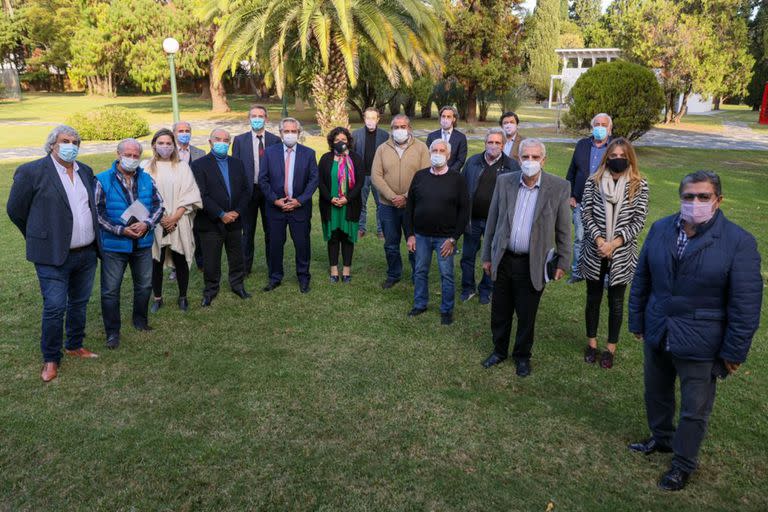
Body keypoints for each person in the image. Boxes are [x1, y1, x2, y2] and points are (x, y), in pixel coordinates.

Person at [628, 171, 762, 491]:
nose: (695, 203)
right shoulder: (661, 229)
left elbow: (745, 303)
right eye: (689, 196)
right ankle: (661, 439)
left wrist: (733, 351)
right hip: (659, 330)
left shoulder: (738, 241)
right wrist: (637, 320)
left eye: (703, 197)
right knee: (656, 393)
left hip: (702, 342)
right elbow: (642, 278)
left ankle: (683, 463)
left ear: (718, 200)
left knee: (695, 409)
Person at [7, 125, 101, 382]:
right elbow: (16, 209)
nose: (71, 145)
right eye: (65, 140)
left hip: (86, 253)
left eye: (75, 141)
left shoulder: (86, 171)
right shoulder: (32, 171)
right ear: (52, 144)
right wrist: (39, 235)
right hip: (51, 256)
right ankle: (50, 358)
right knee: (55, 306)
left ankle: (74, 344)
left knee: (79, 304)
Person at [480, 139, 571, 377]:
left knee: (526, 314)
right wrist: (487, 256)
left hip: (534, 262)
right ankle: (499, 350)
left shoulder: (558, 187)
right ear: (518, 159)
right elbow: (492, 221)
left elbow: (564, 229)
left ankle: (522, 356)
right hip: (504, 258)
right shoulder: (505, 182)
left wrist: (563, 261)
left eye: (535, 157)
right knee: (500, 311)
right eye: (525, 157)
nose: (530, 162)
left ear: (544, 160)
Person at [579, 138, 649, 368]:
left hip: (622, 253)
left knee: (616, 302)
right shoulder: (593, 181)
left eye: (622, 155)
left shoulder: (640, 184)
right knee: (593, 299)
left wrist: (615, 243)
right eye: (613, 155)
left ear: (629, 157)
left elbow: (639, 220)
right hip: (595, 248)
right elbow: (586, 212)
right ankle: (591, 343)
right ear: (606, 157)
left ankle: (610, 348)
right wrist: (600, 240)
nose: (617, 159)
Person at [95, 138, 164, 349]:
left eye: (136, 156)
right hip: (114, 244)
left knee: (144, 285)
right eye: (128, 155)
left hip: (142, 243)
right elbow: (97, 213)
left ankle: (140, 320)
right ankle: (112, 332)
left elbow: (159, 205)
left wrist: (147, 224)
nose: (132, 159)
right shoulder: (102, 179)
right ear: (118, 154)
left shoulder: (146, 179)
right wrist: (120, 230)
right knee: (110, 290)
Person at [405, 139, 469, 325]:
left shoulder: (457, 179)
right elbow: (409, 207)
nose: (438, 153)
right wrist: (410, 234)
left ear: (448, 155)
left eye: (442, 151)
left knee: (446, 274)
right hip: (421, 235)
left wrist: (453, 238)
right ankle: (420, 304)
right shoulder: (420, 176)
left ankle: (447, 309)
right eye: (435, 150)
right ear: (429, 152)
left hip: (445, 238)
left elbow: (464, 210)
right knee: (420, 271)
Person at [141, 129, 202, 313]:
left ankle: (183, 296)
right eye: (161, 143)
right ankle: (157, 298)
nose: (165, 147)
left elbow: (190, 192)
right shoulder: (145, 167)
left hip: (179, 219)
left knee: (180, 257)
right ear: (154, 145)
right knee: (156, 260)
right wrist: (159, 218)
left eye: (168, 143)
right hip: (155, 222)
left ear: (174, 146)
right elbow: (142, 195)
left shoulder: (182, 166)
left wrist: (175, 216)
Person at [459, 127, 520, 304]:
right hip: (473, 220)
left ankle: (486, 289)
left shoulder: (512, 166)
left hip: (497, 222)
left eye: (497, 143)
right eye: (490, 142)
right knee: (468, 256)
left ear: (504, 144)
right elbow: (463, 189)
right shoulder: (472, 162)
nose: (493, 146)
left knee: (492, 258)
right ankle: (467, 287)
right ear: (485, 143)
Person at [191, 129, 251, 306]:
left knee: (236, 255)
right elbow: (201, 194)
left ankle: (237, 284)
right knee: (211, 259)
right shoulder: (199, 165)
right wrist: (221, 214)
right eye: (218, 139)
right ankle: (210, 290)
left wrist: (237, 212)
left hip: (235, 220)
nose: (222, 143)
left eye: (226, 140)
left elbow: (246, 191)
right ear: (210, 142)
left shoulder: (237, 164)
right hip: (210, 221)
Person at [259, 117, 319, 294]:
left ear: (299, 133)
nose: (290, 134)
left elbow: (313, 180)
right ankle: (275, 277)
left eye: (294, 131)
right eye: (287, 131)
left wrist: (299, 200)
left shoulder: (309, 153)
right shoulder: (269, 153)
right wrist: (275, 200)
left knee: (302, 244)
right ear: (281, 133)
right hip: (275, 208)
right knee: (275, 244)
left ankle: (303, 277)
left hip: (299, 208)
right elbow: (263, 179)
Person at [371, 114, 431, 289]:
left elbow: (425, 175)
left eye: (402, 127)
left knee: (415, 242)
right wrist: (392, 196)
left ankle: (416, 274)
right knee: (391, 243)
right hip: (387, 206)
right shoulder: (382, 148)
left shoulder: (421, 148)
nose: (399, 130)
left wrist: (406, 196)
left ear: (409, 128)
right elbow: (376, 176)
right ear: (391, 130)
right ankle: (394, 273)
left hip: (413, 206)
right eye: (396, 127)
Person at [232, 104, 281, 275]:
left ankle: (272, 265)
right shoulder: (239, 140)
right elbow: (236, 169)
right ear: (249, 118)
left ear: (266, 119)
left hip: (269, 192)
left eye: (261, 116)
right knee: (247, 231)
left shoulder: (275, 140)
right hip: (248, 192)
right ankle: (245, 268)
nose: (257, 119)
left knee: (271, 231)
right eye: (254, 115)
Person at [565, 113, 613, 284]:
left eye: (603, 124)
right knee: (579, 238)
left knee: (606, 239)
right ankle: (578, 271)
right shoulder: (582, 144)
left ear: (610, 128)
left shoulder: (614, 147)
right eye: (597, 124)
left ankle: (606, 275)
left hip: (605, 203)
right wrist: (570, 194)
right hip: (580, 200)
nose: (600, 127)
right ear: (592, 126)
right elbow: (571, 170)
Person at [318, 127, 365, 282]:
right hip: (330, 205)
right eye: (337, 140)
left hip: (349, 205)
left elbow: (359, 183)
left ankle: (346, 270)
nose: (340, 142)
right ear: (332, 141)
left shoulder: (356, 159)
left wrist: (348, 198)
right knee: (333, 237)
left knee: (347, 237)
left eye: (343, 140)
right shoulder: (325, 158)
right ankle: (333, 270)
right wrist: (330, 198)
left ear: (348, 141)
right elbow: (320, 182)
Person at [174, 121, 206, 270]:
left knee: (199, 232)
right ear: (174, 133)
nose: (184, 133)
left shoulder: (200, 153)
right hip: (176, 199)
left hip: (196, 199)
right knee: (178, 233)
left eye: (187, 130)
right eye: (181, 131)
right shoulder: (169, 153)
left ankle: (201, 262)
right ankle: (177, 266)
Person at [352, 107, 388, 239]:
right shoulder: (356, 134)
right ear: (364, 119)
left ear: (378, 119)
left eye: (373, 118)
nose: (370, 120)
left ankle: (381, 230)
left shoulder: (385, 136)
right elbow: (352, 155)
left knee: (381, 204)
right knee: (361, 203)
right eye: (368, 117)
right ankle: (361, 228)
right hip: (362, 175)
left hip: (379, 175)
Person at [425, 105, 468, 174]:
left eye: (448, 116)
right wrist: (435, 170)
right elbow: (427, 156)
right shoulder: (432, 136)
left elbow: (461, 159)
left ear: (454, 119)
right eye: (443, 116)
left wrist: (448, 173)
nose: (445, 119)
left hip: (452, 175)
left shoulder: (461, 138)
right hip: (434, 173)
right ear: (440, 118)